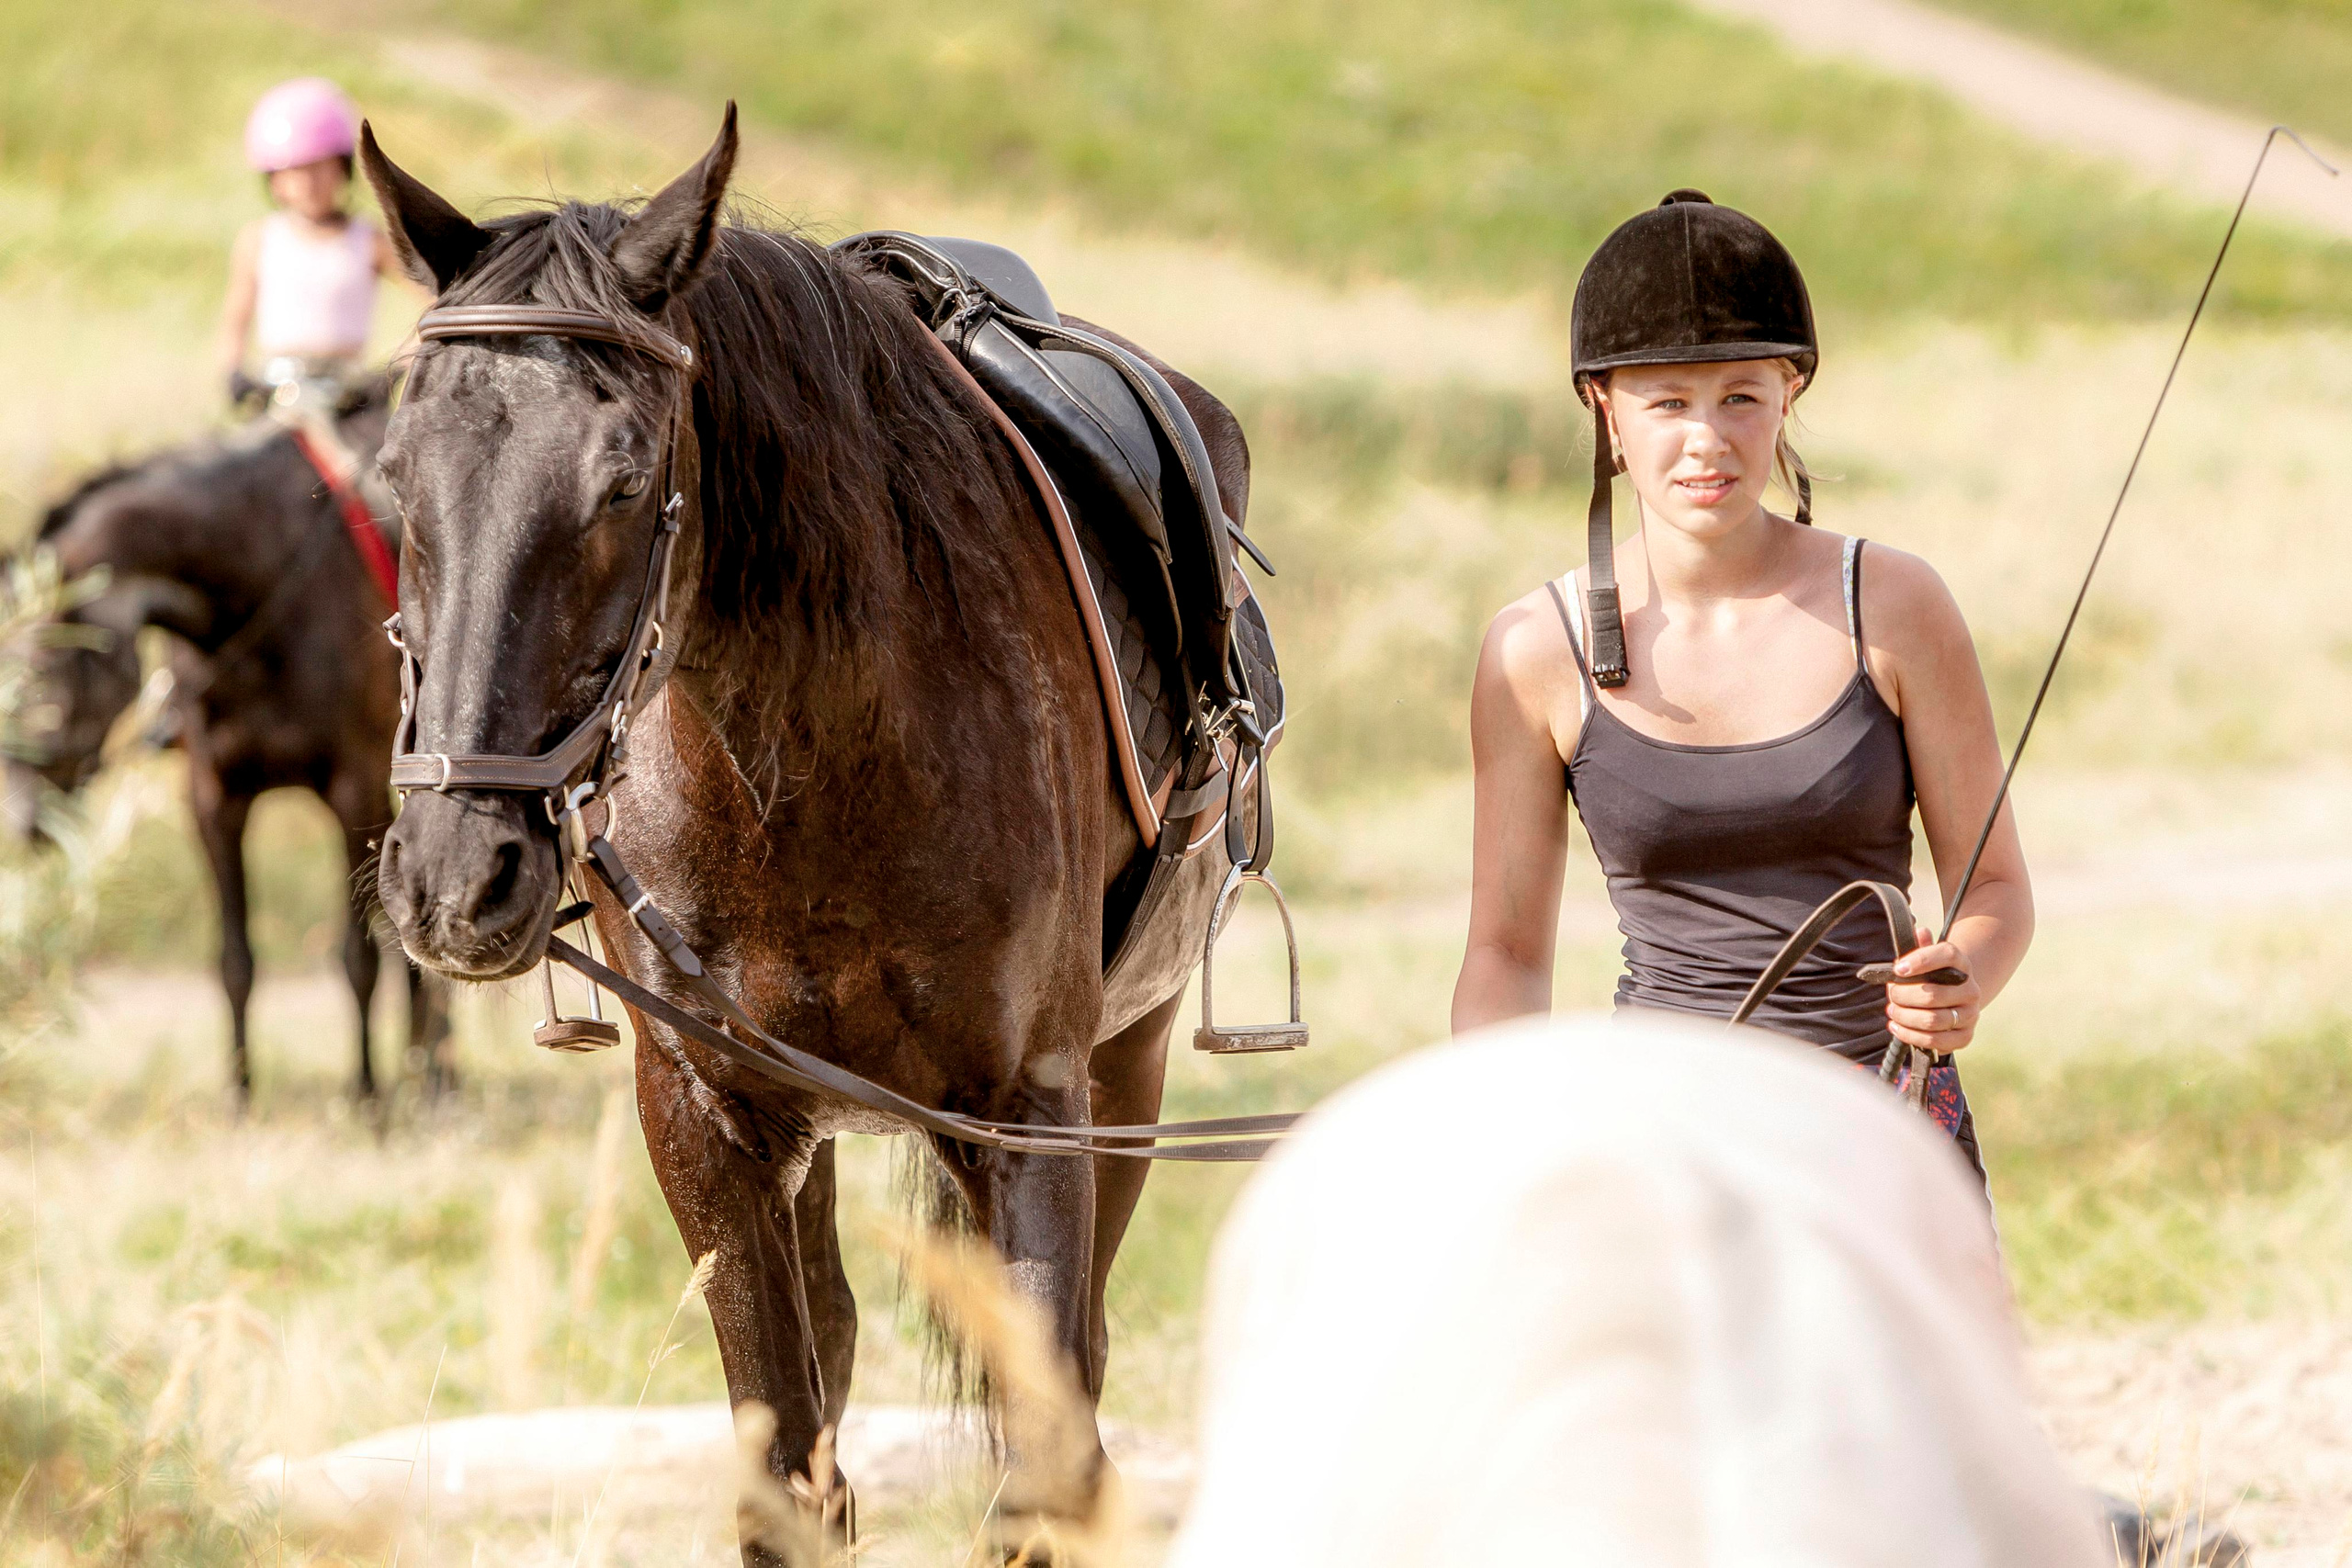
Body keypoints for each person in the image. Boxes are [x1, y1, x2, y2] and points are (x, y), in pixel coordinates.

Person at [1450, 190, 2031, 1179]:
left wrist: (1960, 977)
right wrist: (1508, 1124)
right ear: (1604, 404)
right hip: (1661, 1137)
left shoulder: (1894, 605)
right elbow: (1504, 954)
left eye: (1740, 397)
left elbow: (1996, 887)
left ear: (1788, 393)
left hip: (1881, 1118)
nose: (1706, 441)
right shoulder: (1532, 650)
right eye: (1667, 402)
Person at [1165, 1017, 2109, 1567]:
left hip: (1851, 1072)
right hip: (1648, 1043)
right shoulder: (1547, 667)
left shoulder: (1899, 659)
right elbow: (1504, 938)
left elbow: (1993, 886)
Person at [217, 78, 407, 411]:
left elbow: (437, 302)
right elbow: (236, 320)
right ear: (273, 180)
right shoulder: (258, 240)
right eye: (293, 172)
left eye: (319, 167)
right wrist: (233, 372)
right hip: (276, 399)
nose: (307, 183)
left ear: (342, 167)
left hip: (348, 401)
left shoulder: (370, 239)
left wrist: (393, 371)